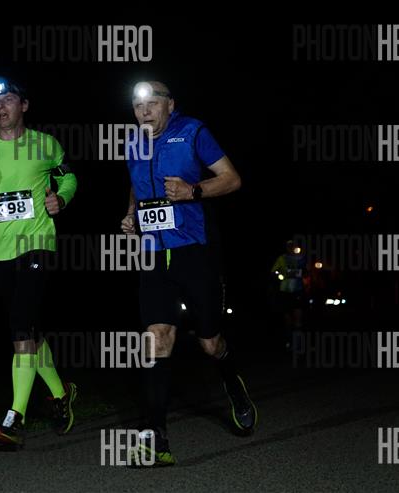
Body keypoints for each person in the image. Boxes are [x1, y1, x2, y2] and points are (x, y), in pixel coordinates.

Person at [120, 81, 257, 466]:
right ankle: (156, 438)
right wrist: (131, 214)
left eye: (152, 104)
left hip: (194, 251)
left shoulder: (193, 131)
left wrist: (192, 191)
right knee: (156, 338)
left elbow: (231, 178)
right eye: (138, 106)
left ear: (170, 105)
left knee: (209, 343)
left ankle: (232, 382)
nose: (144, 112)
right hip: (153, 254)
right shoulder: (133, 142)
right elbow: (136, 183)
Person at [0, 78, 78, 446]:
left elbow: (68, 176)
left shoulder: (45, 144)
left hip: (37, 243)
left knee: (21, 326)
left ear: (24, 105)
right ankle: (61, 393)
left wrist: (61, 198)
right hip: (0, 252)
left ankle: (14, 418)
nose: (0, 107)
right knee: (30, 329)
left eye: (8, 99)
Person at [272, 240, 307, 349]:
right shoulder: (281, 258)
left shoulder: (301, 257)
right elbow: (274, 271)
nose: (291, 248)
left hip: (298, 290)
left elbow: (306, 270)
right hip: (285, 291)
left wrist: (303, 272)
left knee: (298, 318)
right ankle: (288, 341)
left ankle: (298, 343)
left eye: (293, 246)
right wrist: (280, 275)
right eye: (289, 246)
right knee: (287, 319)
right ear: (286, 247)